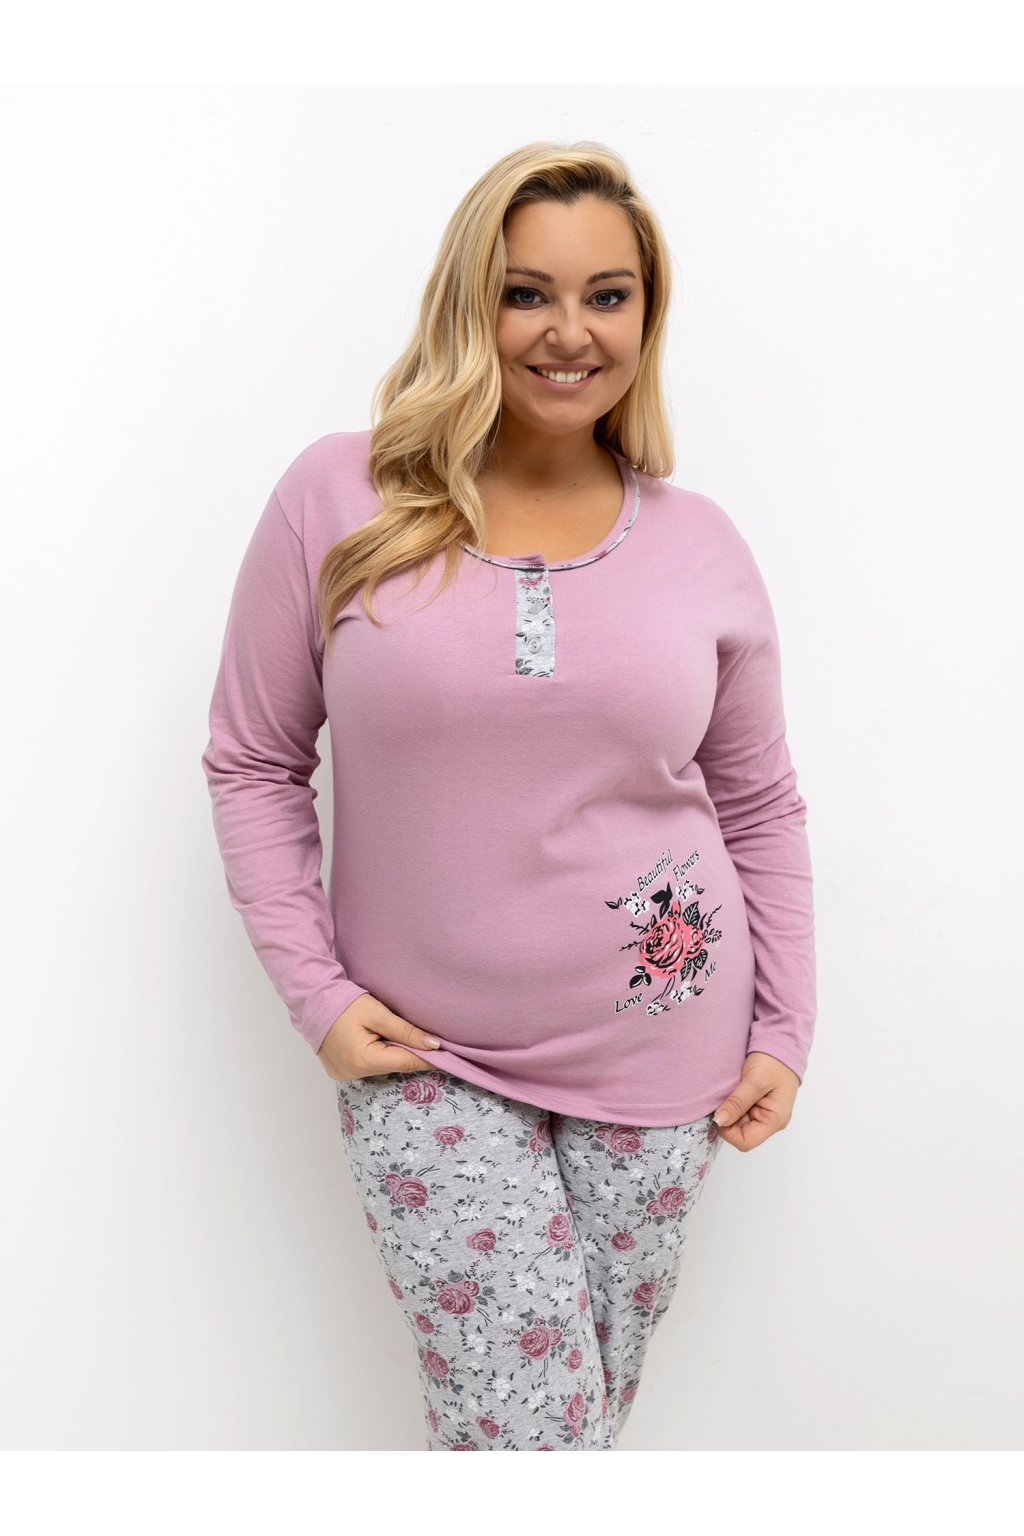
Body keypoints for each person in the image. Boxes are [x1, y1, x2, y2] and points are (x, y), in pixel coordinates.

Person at [200, 140, 816, 1451]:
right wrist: (316, 994)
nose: (567, 331)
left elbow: (758, 802)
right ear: (468, 304)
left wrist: (784, 1027)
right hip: (424, 1056)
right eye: (526, 292)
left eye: (608, 295)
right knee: (526, 1431)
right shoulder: (340, 497)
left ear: (647, 317)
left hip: (664, 1054)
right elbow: (253, 758)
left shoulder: (700, 543)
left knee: (571, 1431)